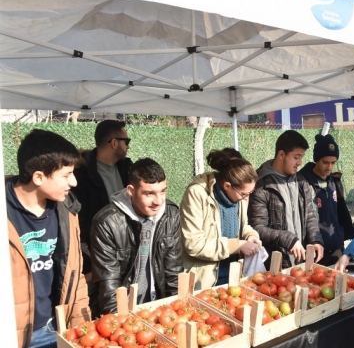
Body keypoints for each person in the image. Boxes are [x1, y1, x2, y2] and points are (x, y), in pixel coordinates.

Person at [8, 129, 90, 348]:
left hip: (55, 327)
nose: (74, 182)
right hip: (11, 335)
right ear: (38, 177)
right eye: (66, 175)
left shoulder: (67, 211)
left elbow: (75, 274)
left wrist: (81, 326)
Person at [91, 158, 183, 314]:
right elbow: (108, 285)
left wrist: (178, 312)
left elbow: (174, 273)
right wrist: (119, 325)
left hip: (159, 309)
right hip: (125, 312)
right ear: (131, 191)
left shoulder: (171, 214)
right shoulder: (107, 222)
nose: (159, 201)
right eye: (149, 193)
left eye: (163, 191)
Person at [180, 149, 262, 290]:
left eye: (250, 192)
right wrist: (236, 245)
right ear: (227, 186)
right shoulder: (196, 194)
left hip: (234, 277)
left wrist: (250, 235)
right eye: (244, 194)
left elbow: (242, 225)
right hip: (204, 282)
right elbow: (194, 244)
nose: (247, 198)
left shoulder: (240, 196)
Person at [248, 130, 324, 268]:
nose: (300, 162)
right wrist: (287, 239)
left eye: (301, 157)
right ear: (281, 154)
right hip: (274, 266)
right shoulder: (262, 185)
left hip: (301, 264)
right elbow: (257, 228)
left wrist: (315, 240)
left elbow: (310, 216)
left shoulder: (302, 182)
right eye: (296, 157)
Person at [72, 120, 132, 274]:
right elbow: (80, 223)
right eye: (126, 141)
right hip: (99, 256)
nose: (128, 146)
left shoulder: (128, 169)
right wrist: (90, 261)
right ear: (114, 143)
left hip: (127, 251)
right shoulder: (81, 176)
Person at [298, 134, 353, 266]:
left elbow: (340, 211)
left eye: (333, 163)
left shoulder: (334, 180)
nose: (329, 167)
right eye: (325, 162)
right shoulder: (303, 182)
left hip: (336, 248)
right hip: (315, 250)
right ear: (317, 159)